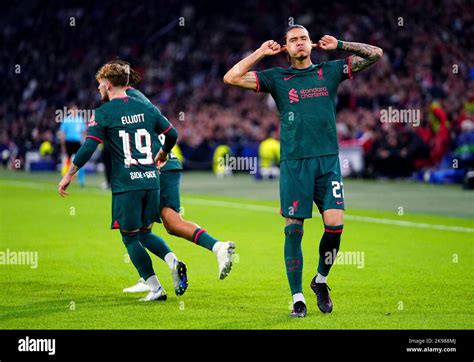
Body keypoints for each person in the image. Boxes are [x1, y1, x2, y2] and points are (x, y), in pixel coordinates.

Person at [223, 25, 382, 317]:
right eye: (293, 40)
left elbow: (375, 54)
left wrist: (341, 44)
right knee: (293, 229)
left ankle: (320, 280)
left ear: (311, 44)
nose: (299, 43)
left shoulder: (329, 71)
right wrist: (260, 52)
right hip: (295, 164)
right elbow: (231, 77)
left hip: (328, 161)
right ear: (286, 47)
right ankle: (297, 298)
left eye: (303, 39)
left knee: (335, 227)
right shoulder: (277, 78)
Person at [102, 60, 235, 295]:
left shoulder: (127, 100)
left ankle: (216, 247)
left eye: (103, 83)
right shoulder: (135, 97)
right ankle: (166, 267)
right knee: (148, 230)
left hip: (155, 165)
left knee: (159, 225)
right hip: (162, 163)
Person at [58, 62, 188, 301]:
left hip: (127, 185)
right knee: (145, 234)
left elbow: (89, 147)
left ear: (108, 84)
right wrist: (163, 153)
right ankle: (173, 261)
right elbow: (172, 134)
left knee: (129, 237)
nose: (98, 89)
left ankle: (155, 288)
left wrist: (69, 173)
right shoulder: (146, 107)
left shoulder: (104, 113)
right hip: (151, 181)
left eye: (99, 85)